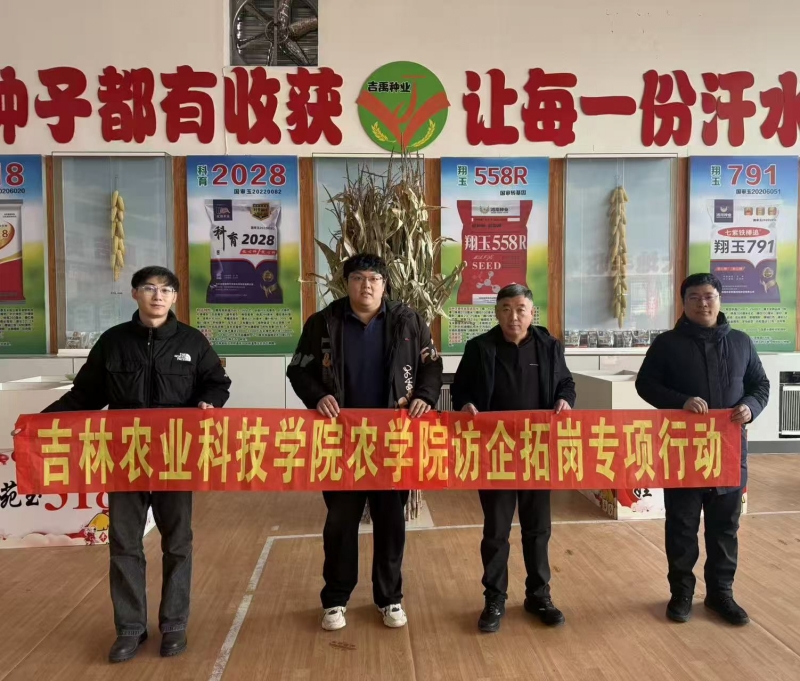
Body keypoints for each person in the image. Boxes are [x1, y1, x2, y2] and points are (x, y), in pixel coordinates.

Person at [40, 266, 231, 662]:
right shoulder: (113, 342)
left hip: (175, 457)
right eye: (149, 288)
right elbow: (85, 395)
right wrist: (39, 422)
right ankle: (129, 629)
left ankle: (174, 625)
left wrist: (209, 401)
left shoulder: (192, 342)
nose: (157, 296)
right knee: (125, 544)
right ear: (134, 294)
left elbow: (217, 382)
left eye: (166, 290)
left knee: (177, 542)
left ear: (175, 297)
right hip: (125, 457)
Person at [287, 253, 442, 631]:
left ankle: (389, 598)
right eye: (358, 278)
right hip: (340, 441)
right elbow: (298, 369)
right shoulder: (324, 322)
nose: (366, 285)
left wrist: (425, 394)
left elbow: (432, 365)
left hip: (393, 442)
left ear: (385, 285)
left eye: (374, 279)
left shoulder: (408, 321)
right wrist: (317, 396)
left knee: (391, 523)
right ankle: (335, 600)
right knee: (340, 523)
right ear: (347, 283)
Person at [636, 273, 769, 626]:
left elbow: (760, 385)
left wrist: (750, 407)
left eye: (709, 296)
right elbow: (645, 384)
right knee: (682, 526)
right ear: (684, 303)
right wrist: (680, 401)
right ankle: (681, 593)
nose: (702, 303)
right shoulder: (667, 344)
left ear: (720, 299)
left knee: (725, 526)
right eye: (694, 297)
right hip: (683, 451)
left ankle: (720, 594)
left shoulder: (741, 342)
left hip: (728, 452)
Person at [451, 284, 575, 633]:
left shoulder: (549, 346)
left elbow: (566, 383)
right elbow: (460, 389)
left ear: (532, 312)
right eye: (506, 308)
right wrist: (465, 404)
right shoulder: (479, 347)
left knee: (538, 528)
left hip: (537, 450)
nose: (513, 316)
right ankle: (494, 598)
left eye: (520, 309)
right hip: (495, 451)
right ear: (497, 313)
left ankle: (539, 596)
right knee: (496, 530)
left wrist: (565, 400)